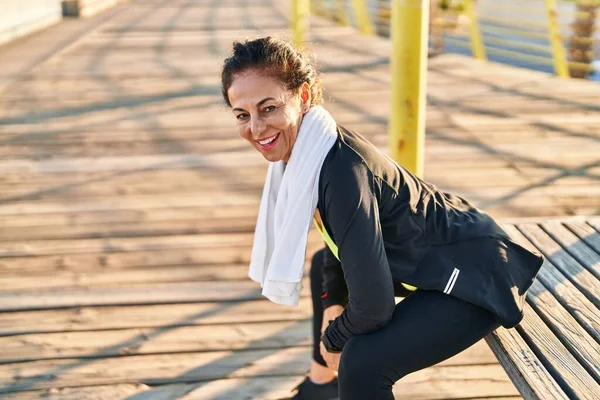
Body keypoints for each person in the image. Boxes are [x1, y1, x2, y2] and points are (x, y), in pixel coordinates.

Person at [220, 36, 544, 400]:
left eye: (268, 108)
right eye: (242, 115)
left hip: (478, 274)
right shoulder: (311, 151)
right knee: (323, 268)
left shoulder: (340, 170)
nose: (256, 128)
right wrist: (333, 306)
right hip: (438, 255)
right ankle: (320, 388)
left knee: (363, 360)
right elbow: (336, 249)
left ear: (304, 97)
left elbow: (374, 306)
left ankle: (330, 382)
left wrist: (334, 338)